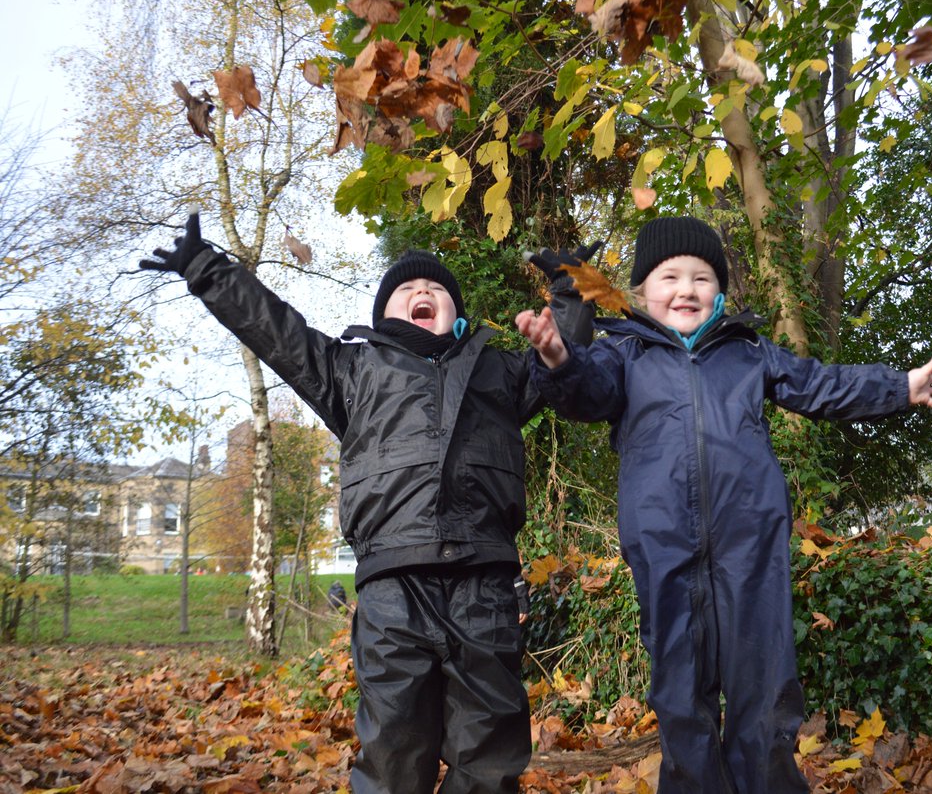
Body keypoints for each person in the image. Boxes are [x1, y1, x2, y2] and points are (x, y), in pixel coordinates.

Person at [140, 210, 597, 794]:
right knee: (391, 751)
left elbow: (557, 355)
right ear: (385, 312)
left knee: (488, 754)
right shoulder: (352, 370)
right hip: (392, 588)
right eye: (407, 289)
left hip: (483, 583)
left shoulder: (498, 370)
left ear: (456, 313)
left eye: (436, 288)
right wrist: (207, 269)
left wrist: (573, 288)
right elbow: (279, 333)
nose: (424, 291)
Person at [516, 215, 932, 794]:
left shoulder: (748, 352)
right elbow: (586, 394)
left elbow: (819, 384)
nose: (687, 290)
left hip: (751, 543)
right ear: (643, 290)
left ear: (720, 290)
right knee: (681, 691)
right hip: (663, 546)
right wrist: (557, 358)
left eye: (702, 277)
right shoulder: (624, 353)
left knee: (763, 687)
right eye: (670, 277)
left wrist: (899, 386)